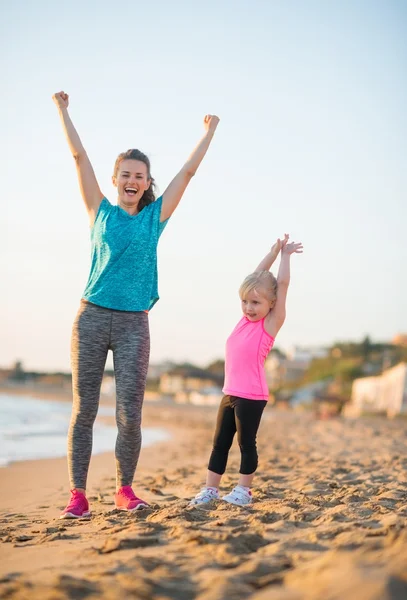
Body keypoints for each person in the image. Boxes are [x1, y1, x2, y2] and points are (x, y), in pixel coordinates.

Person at [52, 91, 220, 518]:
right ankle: (77, 495)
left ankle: (124, 489)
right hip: (90, 317)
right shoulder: (100, 212)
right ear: (115, 180)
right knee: (83, 410)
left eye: (140, 176)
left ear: (147, 183)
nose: (132, 180)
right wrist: (63, 111)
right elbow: (79, 158)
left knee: (130, 414)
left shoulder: (154, 218)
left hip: (133, 325)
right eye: (125, 173)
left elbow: (188, 172)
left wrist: (209, 131)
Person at [190, 234, 303, 506]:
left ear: (271, 304)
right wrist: (272, 251)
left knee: (245, 444)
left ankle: (243, 490)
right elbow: (256, 276)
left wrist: (285, 257)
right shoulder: (243, 321)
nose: (249, 308)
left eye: (256, 303)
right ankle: (211, 490)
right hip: (229, 393)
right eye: (245, 302)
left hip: (252, 395)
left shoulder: (270, 324)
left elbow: (282, 284)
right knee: (219, 443)